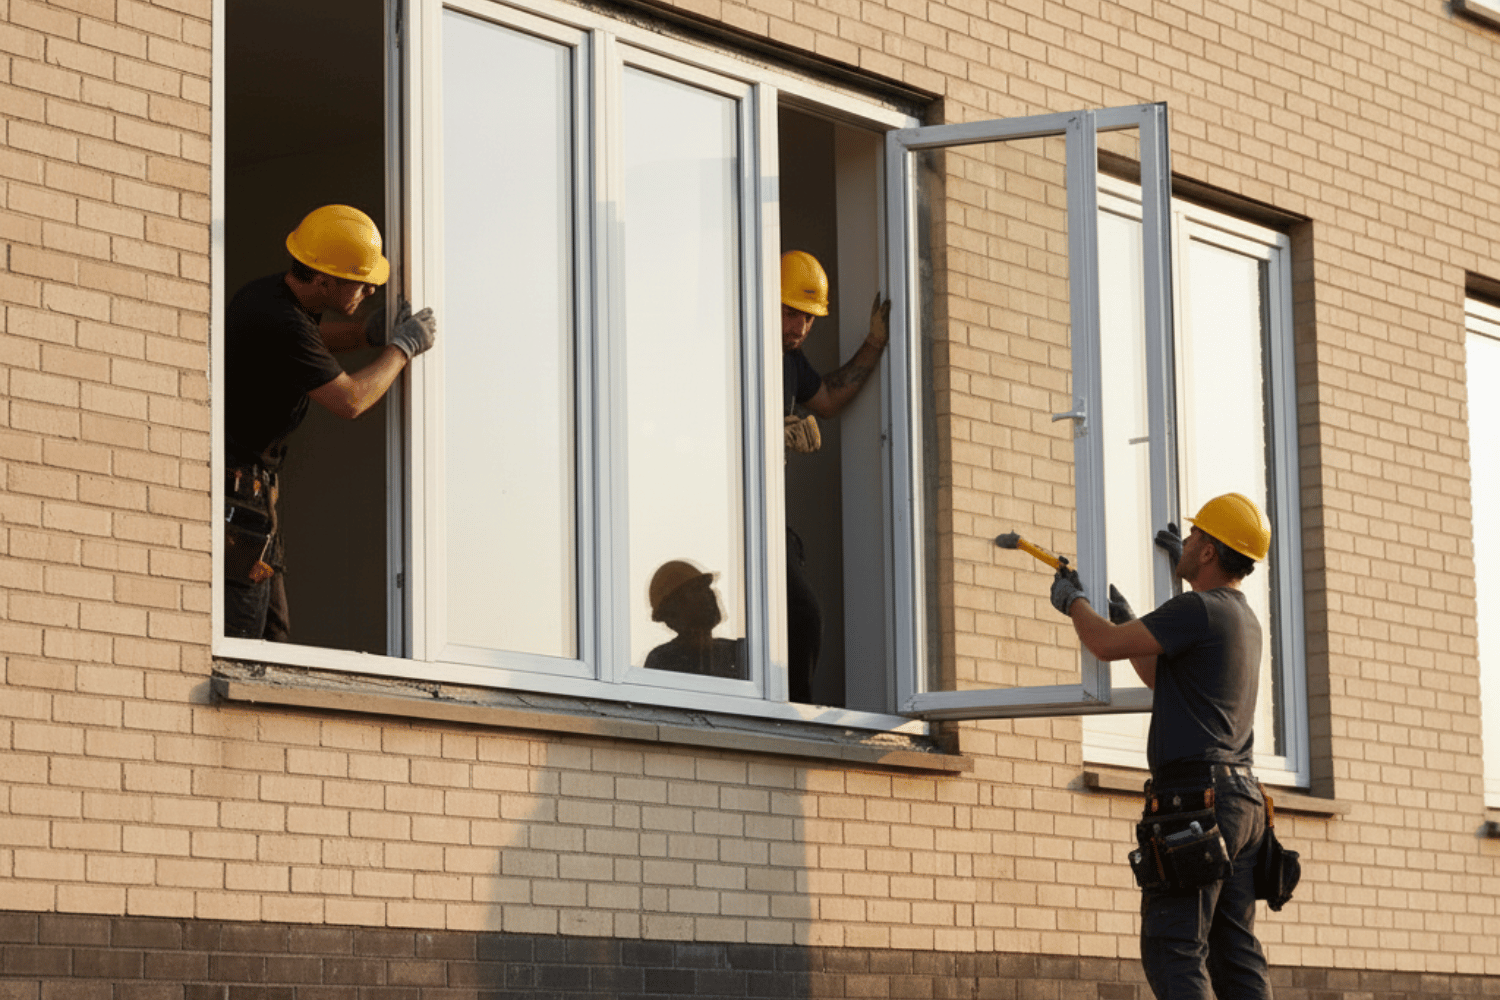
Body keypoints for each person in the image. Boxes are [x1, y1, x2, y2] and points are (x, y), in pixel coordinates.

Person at [1045, 493, 1274, 1000]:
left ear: (1210, 551)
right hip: (1243, 804)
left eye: (1195, 537)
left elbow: (1103, 644)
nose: (1186, 542)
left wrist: (1074, 602)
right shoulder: (1242, 618)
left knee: (1173, 947)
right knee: (1234, 955)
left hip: (1199, 799)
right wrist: (1130, 614)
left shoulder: (1199, 609)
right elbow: (1157, 678)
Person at [223, 204, 437, 641]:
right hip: (240, 499)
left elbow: (309, 342)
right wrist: (401, 348)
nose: (371, 292)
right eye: (362, 281)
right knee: (247, 641)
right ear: (323, 280)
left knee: (274, 638)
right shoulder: (280, 318)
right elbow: (350, 400)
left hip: (251, 496)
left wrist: (365, 334)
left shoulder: (269, 298)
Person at [779, 250, 890, 703]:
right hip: (723, 513)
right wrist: (771, 431)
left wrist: (874, 344)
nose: (798, 329)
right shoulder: (741, 344)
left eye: (808, 319)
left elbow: (824, 400)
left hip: (762, 517)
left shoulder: (791, 359)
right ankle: (788, 720)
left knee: (795, 617)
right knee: (800, 614)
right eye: (790, 313)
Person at [643, 560, 746, 679]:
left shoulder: (736, 652)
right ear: (674, 612)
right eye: (697, 590)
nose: (710, 595)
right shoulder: (663, 659)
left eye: (706, 587)